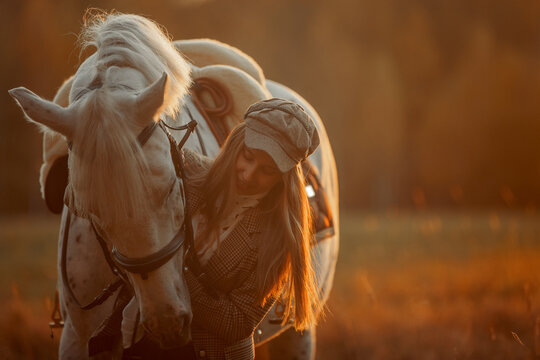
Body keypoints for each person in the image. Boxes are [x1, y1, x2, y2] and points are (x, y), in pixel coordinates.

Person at [124, 98, 321, 360]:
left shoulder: (278, 239)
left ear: (283, 179)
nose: (248, 175)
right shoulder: (187, 171)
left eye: (267, 171)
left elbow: (236, 323)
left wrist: (170, 271)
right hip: (143, 344)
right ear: (237, 144)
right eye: (248, 157)